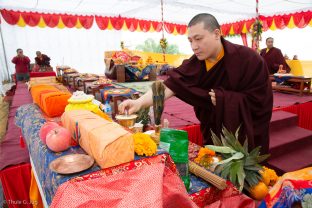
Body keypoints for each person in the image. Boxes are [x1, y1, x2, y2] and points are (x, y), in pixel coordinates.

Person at [119, 13, 273, 154]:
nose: (194, 46)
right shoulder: (196, 63)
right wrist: (138, 103)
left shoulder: (249, 60)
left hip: (246, 138)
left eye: (198, 39)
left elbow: (261, 103)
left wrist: (226, 99)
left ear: (216, 34)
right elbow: (169, 86)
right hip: (214, 134)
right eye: (190, 40)